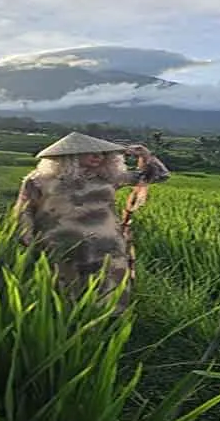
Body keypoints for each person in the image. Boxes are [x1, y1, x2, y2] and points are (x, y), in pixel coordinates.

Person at [12, 131, 170, 315]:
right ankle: (64, 328)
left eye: (103, 153)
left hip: (106, 244)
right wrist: (26, 234)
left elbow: (158, 176)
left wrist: (146, 156)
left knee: (108, 288)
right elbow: (25, 209)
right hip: (61, 244)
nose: (98, 156)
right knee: (63, 290)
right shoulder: (39, 180)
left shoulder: (109, 178)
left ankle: (107, 326)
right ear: (71, 155)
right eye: (90, 152)